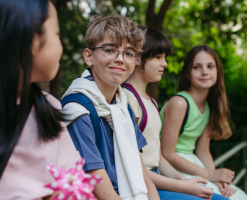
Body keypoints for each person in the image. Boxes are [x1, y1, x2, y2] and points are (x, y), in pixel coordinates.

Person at [0, 0, 80, 199]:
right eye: (57, 34)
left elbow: (72, 182)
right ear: (32, 40)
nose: (60, 43)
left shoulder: (48, 109)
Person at [61, 14, 160, 200]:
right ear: (89, 57)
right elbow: (101, 189)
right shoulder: (78, 109)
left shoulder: (123, 106)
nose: (120, 59)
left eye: (129, 53)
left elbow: (143, 177)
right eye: (109, 49)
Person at [123, 27, 229, 200]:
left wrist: (186, 182)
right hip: (143, 186)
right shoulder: (127, 99)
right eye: (158, 57)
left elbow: (157, 156)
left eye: (164, 58)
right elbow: (134, 166)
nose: (164, 64)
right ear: (137, 58)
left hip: (158, 177)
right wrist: (182, 185)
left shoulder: (151, 102)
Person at [160, 45, 247, 199]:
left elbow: (202, 150)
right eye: (197, 67)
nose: (205, 72)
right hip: (171, 167)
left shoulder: (208, 106)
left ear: (217, 72)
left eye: (210, 66)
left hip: (193, 164)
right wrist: (210, 174)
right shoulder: (180, 103)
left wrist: (218, 179)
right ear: (187, 73)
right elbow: (167, 153)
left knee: (238, 195)